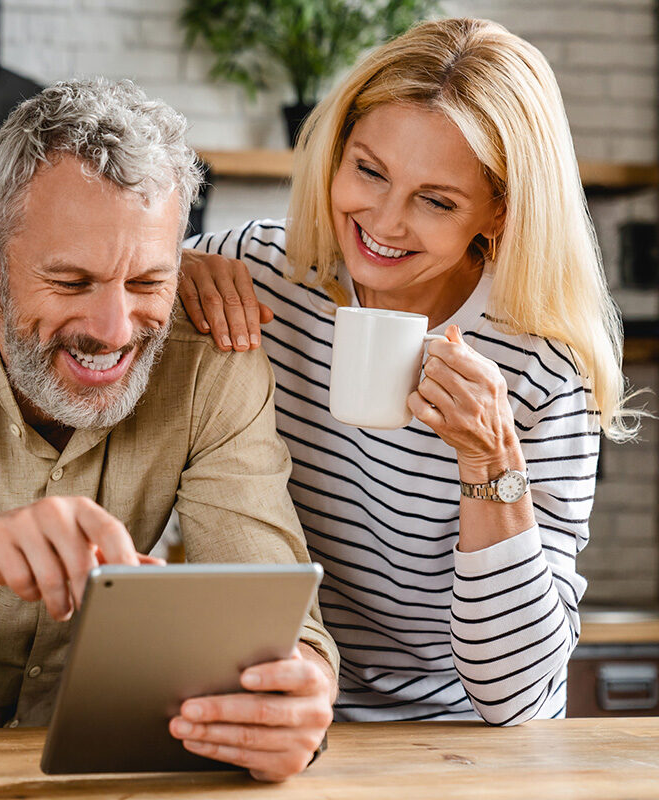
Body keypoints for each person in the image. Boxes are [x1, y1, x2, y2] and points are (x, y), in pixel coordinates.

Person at [0, 78, 337, 782]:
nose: (114, 332)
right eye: (72, 281)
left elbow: (279, 620)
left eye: (147, 283)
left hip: (96, 779)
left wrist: (299, 698)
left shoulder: (212, 363)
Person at [179, 18, 637, 725]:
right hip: (277, 707)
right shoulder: (261, 275)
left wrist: (490, 459)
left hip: (456, 742)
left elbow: (515, 697)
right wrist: (167, 271)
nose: (384, 222)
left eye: (436, 200)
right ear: (337, 153)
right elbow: (104, 284)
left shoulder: (544, 370)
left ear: (498, 212)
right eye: (369, 170)